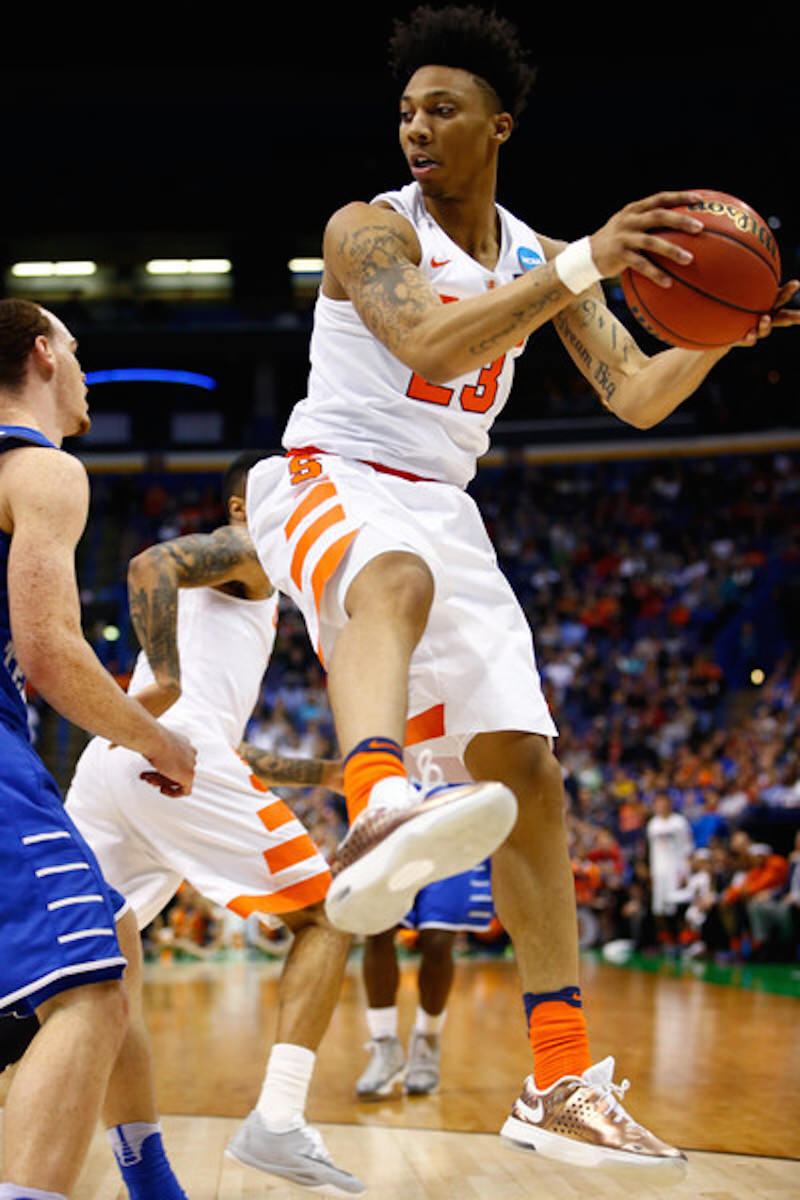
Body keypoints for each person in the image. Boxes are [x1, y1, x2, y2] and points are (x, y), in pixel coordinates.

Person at [245, 3, 800, 1178]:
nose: (415, 128)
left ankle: (555, 1081)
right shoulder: (366, 230)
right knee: (383, 576)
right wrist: (585, 259)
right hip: (327, 474)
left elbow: (636, 393)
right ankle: (377, 791)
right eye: (404, 110)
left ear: (496, 127)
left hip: (451, 507)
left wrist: (724, 329)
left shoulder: (534, 253)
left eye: (440, 110)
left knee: (529, 779)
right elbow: (432, 348)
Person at [65, 452, 363, 1197]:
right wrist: (161, 681)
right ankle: (280, 1119)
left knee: (79, 979)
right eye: (299, 493)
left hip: (121, 763)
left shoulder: (256, 591)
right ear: (244, 507)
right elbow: (150, 564)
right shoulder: (257, 553)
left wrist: (327, 774)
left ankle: (151, 1182)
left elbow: (227, 746)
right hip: (166, 758)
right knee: (327, 916)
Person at [0, 298, 196, 1200]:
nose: (83, 370)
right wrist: (158, 738)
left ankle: (147, 1174)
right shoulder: (42, 470)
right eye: (76, 350)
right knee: (89, 991)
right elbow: (48, 652)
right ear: (42, 355)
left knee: (112, 925)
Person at [355, 860, 494, 1099]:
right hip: (389, 828)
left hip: (449, 834)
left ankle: (427, 1042)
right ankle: (384, 1044)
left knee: (439, 940)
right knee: (378, 928)